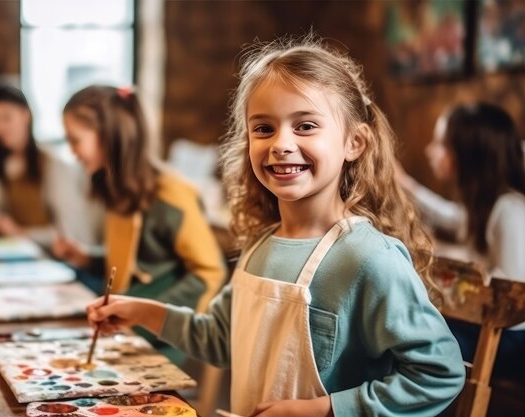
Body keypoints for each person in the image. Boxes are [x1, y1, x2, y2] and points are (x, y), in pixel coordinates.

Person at [86, 37, 465, 417]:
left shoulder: (367, 258)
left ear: (355, 142)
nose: (282, 143)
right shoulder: (260, 245)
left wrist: (324, 409)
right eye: (264, 129)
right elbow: (219, 339)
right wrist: (140, 311)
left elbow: (438, 374)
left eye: (305, 126)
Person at [55, 85, 226, 362]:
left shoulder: (172, 194)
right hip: (124, 331)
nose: (72, 151)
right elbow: (134, 265)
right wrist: (87, 257)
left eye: (75, 140)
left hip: (157, 343)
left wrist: (148, 317)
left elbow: (209, 272)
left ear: (109, 136)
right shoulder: (116, 190)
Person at [398, 102, 525, 378]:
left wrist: (447, 264)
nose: (429, 150)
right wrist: (406, 185)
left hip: (512, 338)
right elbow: (454, 219)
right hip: (497, 330)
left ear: (468, 154)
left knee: (421, 341)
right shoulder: (488, 204)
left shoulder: (510, 211)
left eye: (440, 143)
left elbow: (513, 296)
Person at [0, 82, 102, 248]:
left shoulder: (53, 165)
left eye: (6, 118)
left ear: (25, 115)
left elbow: (70, 234)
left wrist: (19, 233)